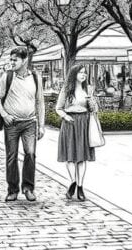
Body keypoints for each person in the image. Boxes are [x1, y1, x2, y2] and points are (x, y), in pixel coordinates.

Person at [0, 46, 44, 202]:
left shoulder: (35, 77)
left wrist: (41, 125)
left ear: (25, 60)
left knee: (30, 154)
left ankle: (28, 188)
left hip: (30, 123)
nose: (12, 62)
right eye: (11, 59)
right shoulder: (7, 76)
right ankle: (12, 190)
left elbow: (40, 102)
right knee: (11, 156)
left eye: (15, 60)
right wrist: (4, 115)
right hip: (12, 123)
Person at [55, 64, 98, 202]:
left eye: (85, 72)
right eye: (80, 72)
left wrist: (92, 102)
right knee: (70, 156)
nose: (83, 75)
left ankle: (80, 187)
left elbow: (94, 110)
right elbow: (58, 108)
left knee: (81, 157)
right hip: (70, 123)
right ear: (74, 74)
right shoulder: (67, 90)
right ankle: (73, 182)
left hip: (84, 123)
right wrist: (65, 116)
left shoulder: (88, 89)